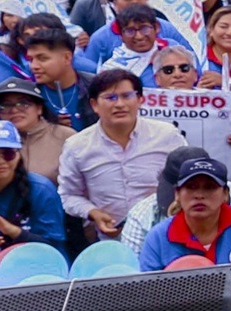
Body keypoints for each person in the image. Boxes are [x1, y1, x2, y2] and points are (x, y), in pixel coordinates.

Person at [57, 69, 185, 241]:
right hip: (112, 240)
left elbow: (187, 181)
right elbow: (69, 195)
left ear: (140, 99)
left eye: (127, 96)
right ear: (94, 105)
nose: (119, 104)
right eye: (110, 98)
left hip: (165, 234)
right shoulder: (77, 146)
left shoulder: (167, 135)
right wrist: (93, 213)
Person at [138, 156, 231, 286]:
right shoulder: (158, 237)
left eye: (209, 187)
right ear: (177, 194)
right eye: (191, 187)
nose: (199, 195)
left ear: (225, 194)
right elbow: (146, 294)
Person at [0, 120, 67, 253]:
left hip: (35, 263)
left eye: (8, 154)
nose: (0, 161)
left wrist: (11, 230)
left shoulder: (41, 190)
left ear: (18, 155)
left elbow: (53, 247)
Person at [0, 77, 76, 183]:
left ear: (39, 108)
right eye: (5, 105)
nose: (14, 110)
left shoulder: (65, 136)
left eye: (23, 104)